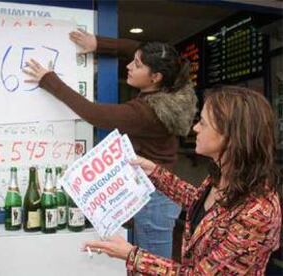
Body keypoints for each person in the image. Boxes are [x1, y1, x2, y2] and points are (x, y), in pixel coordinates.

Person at [24, 30, 198, 258]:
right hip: (155, 191)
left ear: (155, 77)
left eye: (137, 65)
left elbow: (94, 114)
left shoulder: (148, 112)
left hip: (155, 199)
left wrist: (49, 79)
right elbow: (135, 47)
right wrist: (97, 43)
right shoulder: (173, 88)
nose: (129, 66)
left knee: (154, 265)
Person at [83, 86, 282, 275]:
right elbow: (199, 203)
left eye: (203, 123)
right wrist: (154, 172)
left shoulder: (258, 212)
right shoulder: (223, 175)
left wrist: (131, 256)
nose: (195, 128)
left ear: (230, 135)